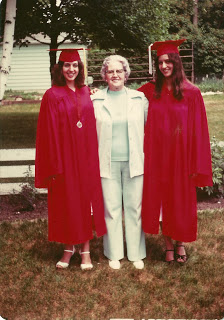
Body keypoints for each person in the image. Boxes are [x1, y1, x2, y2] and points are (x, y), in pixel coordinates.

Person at [138, 39, 213, 264]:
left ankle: (180, 243)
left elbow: (200, 130)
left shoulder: (192, 92)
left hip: (181, 157)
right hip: (158, 156)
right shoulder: (150, 90)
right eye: (160, 62)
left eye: (168, 61)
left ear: (177, 63)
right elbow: (124, 97)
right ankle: (168, 244)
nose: (164, 66)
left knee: (180, 201)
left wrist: (195, 162)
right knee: (161, 200)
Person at [35, 48, 106, 270]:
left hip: (85, 157)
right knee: (67, 202)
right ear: (59, 68)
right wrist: (55, 162)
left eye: (75, 65)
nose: (71, 69)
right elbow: (47, 132)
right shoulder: (52, 95)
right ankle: (68, 248)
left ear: (80, 68)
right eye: (67, 65)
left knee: (84, 202)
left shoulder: (87, 92)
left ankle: (85, 250)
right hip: (63, 157)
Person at [91, 55, 148, 269]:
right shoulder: (95, 100)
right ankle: (114, 253)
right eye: (110, 71)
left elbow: (149, 127)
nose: (115, 75)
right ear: (104, 76)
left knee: (134, 208)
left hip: (134, 161)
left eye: (119, 71)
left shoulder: (139, 99)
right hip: (107, 162)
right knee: (111, 208)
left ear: (126, 74)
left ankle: (136, 253)